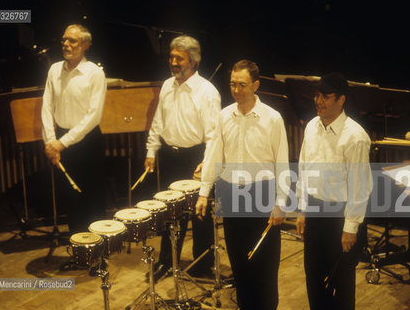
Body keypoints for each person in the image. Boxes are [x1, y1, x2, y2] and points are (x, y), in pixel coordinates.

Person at [196, 60, 289, 310]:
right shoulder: (224, 115)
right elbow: (214, 155)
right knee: (239, 264)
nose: (236, 90)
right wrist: (204, 193)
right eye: (233, 84)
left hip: (262, 194)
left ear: (255, 85)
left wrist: (281, 203)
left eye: (242, 85)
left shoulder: (273, 118)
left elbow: (282, 164)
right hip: (231, 193)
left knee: (265, 266)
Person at [144, 35, 220, 281]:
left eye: (179, 58)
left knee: (200, 216)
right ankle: (167, 262)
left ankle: (202, 265)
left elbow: (214, 135)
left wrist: (206, 164)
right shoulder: (167, 85)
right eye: (171, 57)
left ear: (193, 61)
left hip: (195, 157)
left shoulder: (207, 92)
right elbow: (158, 122)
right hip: (171, 156)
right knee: (170, 214)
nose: (173, 62)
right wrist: (151, 150)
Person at [296, 73, 372, 310]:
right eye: (317, 95)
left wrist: (350, 228)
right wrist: (302, 209)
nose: (319, 100)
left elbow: (360, 186)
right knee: (314, 280)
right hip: (314, 211)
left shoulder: (355, 136)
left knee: (341, 285)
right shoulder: (311, 127)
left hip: (341, 217)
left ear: (341, 100)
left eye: (326, 96)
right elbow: (303, 168)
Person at [41, 24, 106, 234]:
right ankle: (79, 252)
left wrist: (62, 143)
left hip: (88, 142)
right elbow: (46, 106)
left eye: (72, 40)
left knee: (92, 200)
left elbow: (93, 116)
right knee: (70, 200)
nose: (66, 44)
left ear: (86, 45)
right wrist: (51, 142)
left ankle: (98, 255)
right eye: (64, 40)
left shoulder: (95, 73)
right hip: (60, 141)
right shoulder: (54, 70)